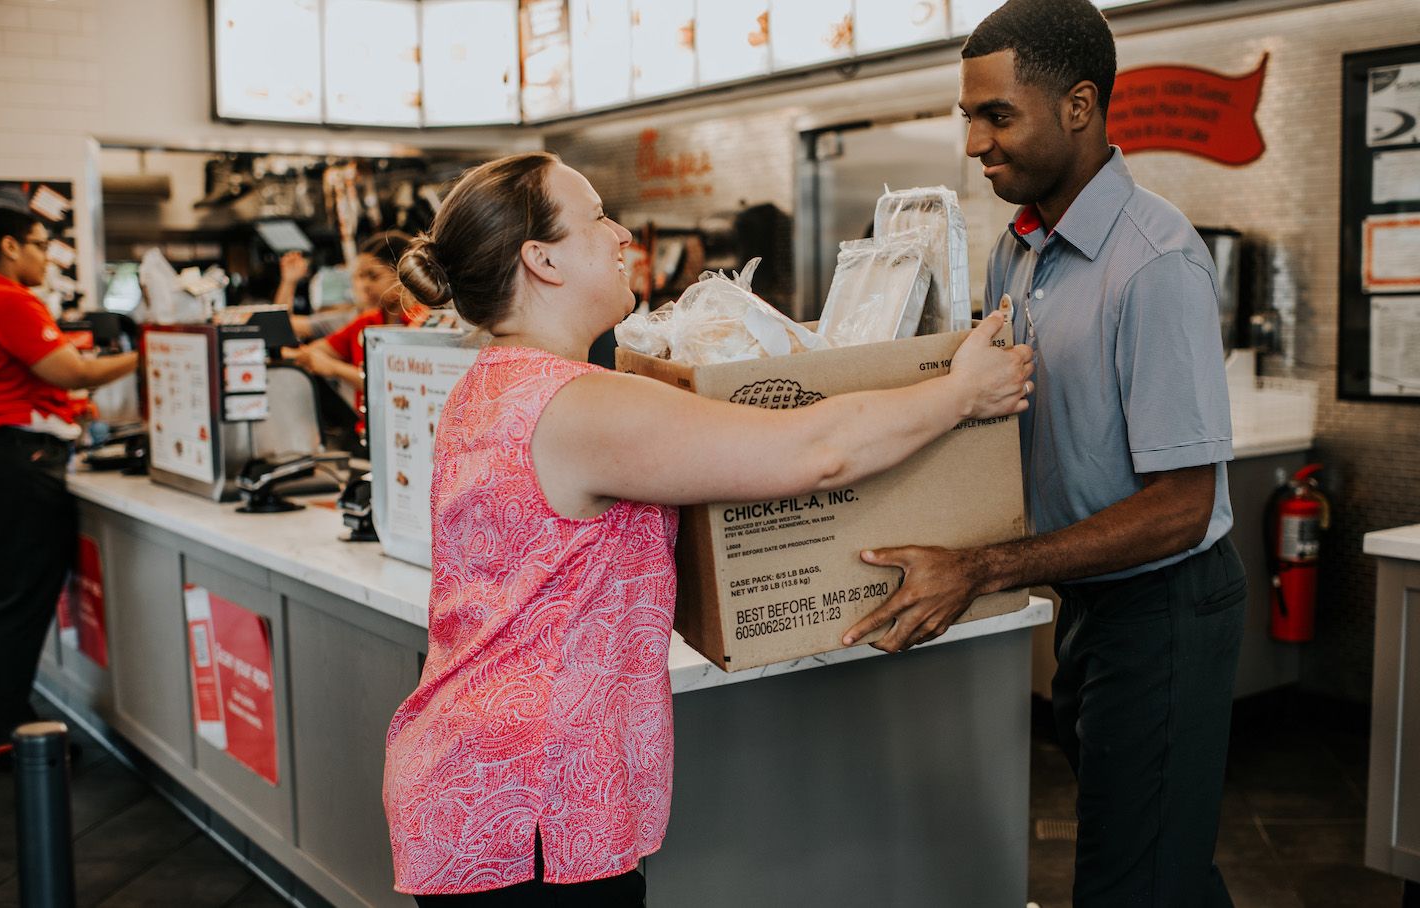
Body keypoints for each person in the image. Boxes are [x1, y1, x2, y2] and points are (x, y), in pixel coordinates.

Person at [380, 151, 1034, 905]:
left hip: (487, 780)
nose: (622, 233)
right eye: (597, 216)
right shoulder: (578, 407)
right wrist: (959, 394)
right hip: (533, 802)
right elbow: (814, 453)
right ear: (543, 259)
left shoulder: (489, 385)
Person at [842, 1, 1245, 903]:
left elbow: (1182, 504)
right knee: (1154, 859)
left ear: (1079, 105)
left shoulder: (1155, 262)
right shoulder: (1017, 252)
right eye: (968, 118)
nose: (977, 143)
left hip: (1166, 610)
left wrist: (981, 566)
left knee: (1131, 881)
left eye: (998, 115)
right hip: (1090, 604)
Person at [0, 207, 139, 759]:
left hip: (1, 453)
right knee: (22, 597)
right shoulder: (8, 298)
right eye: (40, 244)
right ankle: (5, 731)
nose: (47, 256)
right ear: (8, 246)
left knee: (6, 593)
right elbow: (72, 370)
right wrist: (147, 353)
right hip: (20, 460)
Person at [290, 230, 423, 433]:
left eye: (373, 276)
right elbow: (313, 353)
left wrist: (335, 369)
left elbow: (398, 386)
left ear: (402, 275)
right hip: (369, 432)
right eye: (360, 276)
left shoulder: (421, 322)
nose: (364, 285)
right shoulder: (367, 322)